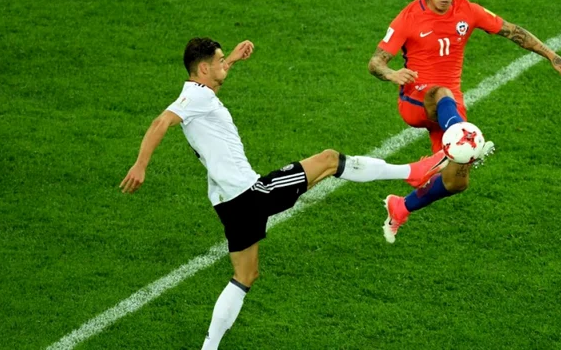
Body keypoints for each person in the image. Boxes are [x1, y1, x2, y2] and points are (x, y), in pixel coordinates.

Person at [119, 37, 444, 349]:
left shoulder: (199, 89)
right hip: (251, 192)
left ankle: (209, 348)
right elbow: (161, 122)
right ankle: (413, 173)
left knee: (245, 275)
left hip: (227, 202)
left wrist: (231, 58)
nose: (224, 64)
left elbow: (206, 84)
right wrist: (140, 165)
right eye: (219, 61)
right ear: (203, 69)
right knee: (329, 160)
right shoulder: (196, 97)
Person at [368, 0, 561, 242]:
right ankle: (451, 149)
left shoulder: (467, 11)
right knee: (444, 96)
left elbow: (513, 31)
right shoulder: (408, 17)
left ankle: (402, 206)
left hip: (451, 107)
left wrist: (552, 56)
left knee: (457, 181)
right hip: (416, 101)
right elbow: (375, 62)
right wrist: (390, 73)